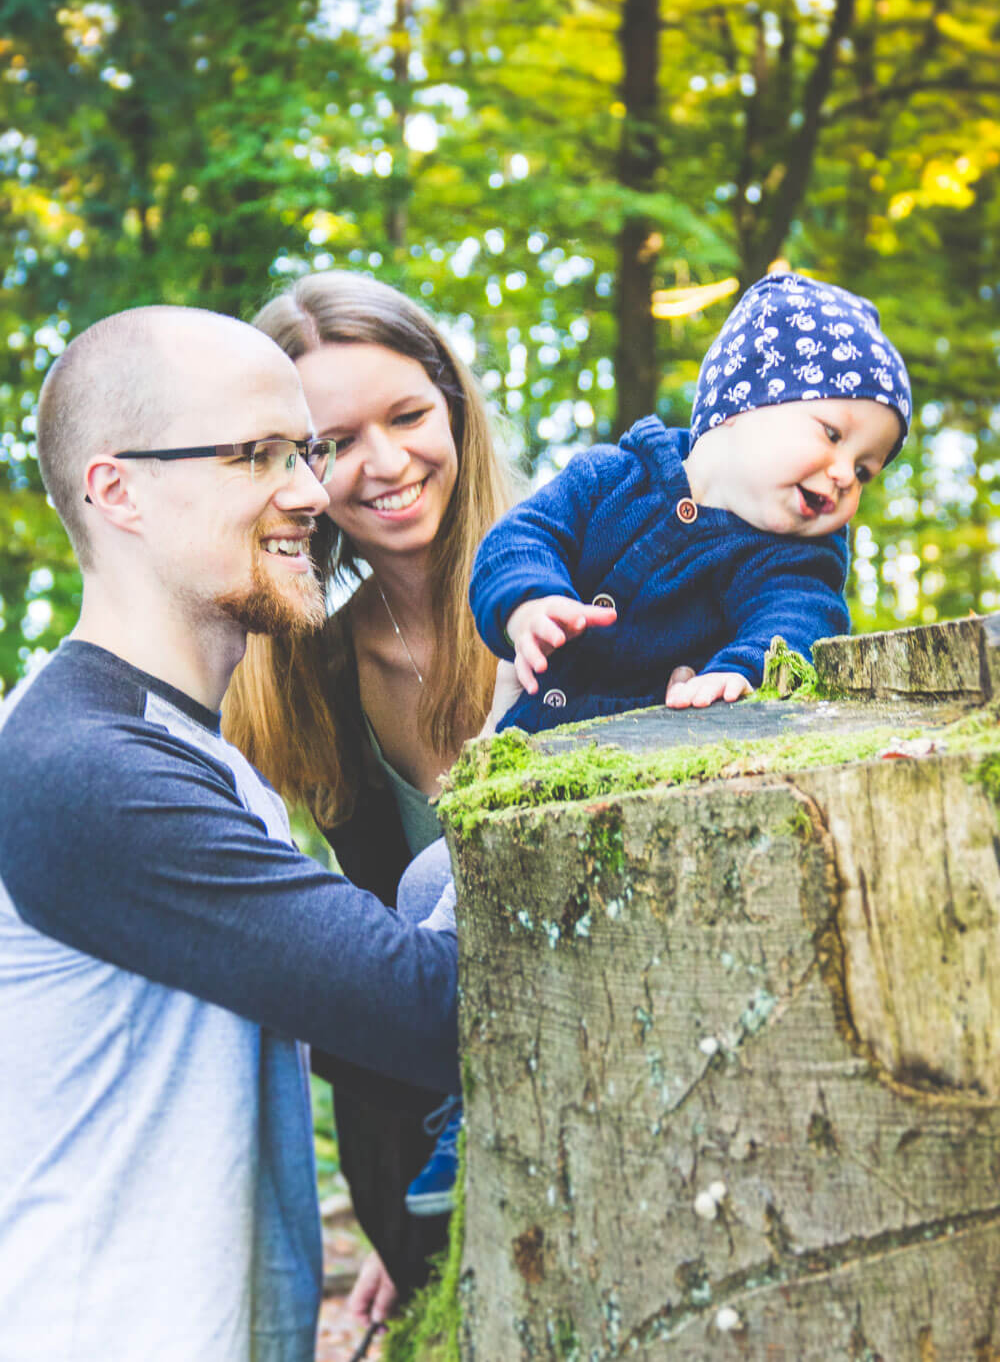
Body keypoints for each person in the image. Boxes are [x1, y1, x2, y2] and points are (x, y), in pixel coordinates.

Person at [0, 305, 463, 1362]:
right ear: (117, 490)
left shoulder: (199, 759)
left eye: (301, 452)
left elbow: (346, 1005)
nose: (312, 490)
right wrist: (543, 745)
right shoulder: (87, 771)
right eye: (257, 455)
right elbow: (425, 1007)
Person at [221, 272, 518, 1321]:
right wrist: (405, 1205)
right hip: (413, 1144)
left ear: (455, 408)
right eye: (332, 441)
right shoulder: (304, 673)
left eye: (407, 416)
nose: (384, 465)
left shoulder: (582, 592)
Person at [470, 270, 912, 735]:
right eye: (832, 433)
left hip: (656, 769)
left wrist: (739, 672)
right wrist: (529, 603)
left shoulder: (797, 560)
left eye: (865, 470)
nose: (845, 475)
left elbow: (801, 619)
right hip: (521, 753)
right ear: (744, 401)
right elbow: (521, 538)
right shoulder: (610, 477)